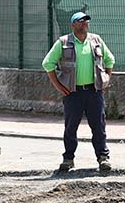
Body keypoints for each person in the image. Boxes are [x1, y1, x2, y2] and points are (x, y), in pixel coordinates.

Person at [43, 10, 115, 175]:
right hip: (73, 93)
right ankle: (68, 159)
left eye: (86, 21)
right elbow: (48, 64)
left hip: (93, 91)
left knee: (99, 126)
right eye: (81, 21)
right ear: (73, 24)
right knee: (70, 127)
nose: (85, 23)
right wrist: (58, 85)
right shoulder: (63, 42)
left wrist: (106, 80)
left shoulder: (96, 40)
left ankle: (103, 158)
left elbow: (110, 60)